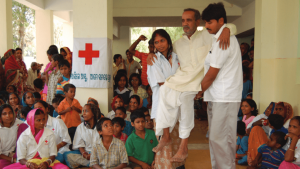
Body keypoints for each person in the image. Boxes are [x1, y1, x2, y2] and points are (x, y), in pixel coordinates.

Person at [147, 8, 235, 164]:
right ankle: (165, 135)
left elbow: (231, 27)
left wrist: (228, 29)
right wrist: (151, 53)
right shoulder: (178, 44)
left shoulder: (208, 35)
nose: (185, 23)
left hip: (200, 79)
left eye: (188, 20)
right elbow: (162, 48)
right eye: (183, 20)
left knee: (186, 100)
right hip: (183, 78)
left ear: (197, 21)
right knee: (164, 90)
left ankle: (183, 146)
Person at [195, 3, 242, 168]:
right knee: (216, 140)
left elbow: (212, 74)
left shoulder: (225, 40)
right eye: (205, 22)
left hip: (225, 97)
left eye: (210, 22)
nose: (206, 26)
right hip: (217, 97)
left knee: (222, 140)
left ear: (221, 21)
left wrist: (197, 92)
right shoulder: (219, 37)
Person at [63, 103, 98, 168]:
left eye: (86, 111)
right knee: (67, 155)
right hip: (86, 153)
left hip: (99, 153)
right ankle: (91, 164)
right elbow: (80, 145)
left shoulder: (100, 126)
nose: (83, 114)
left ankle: (91, 164)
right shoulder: (80, 127)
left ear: (93, 113)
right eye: (83, 111)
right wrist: (84, 154)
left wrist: (94, 155)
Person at [0, 104, 23, 169]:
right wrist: (12, 159)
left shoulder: (17, 123)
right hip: (3, 158)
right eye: (4, 114)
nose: (8, 116)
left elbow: (28, 123)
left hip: (16, 154)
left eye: (10, 113)